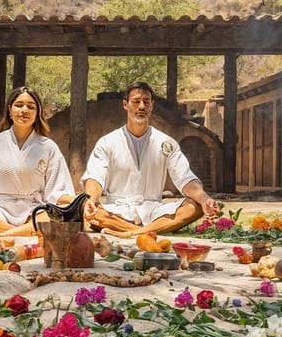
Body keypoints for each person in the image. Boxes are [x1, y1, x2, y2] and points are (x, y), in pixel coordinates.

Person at [81, 81, 219, 237]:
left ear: (152, 105)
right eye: (136, 101)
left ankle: (131, 233)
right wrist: (91, 199)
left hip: (154, 211)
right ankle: (148, 231)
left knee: (195, 206)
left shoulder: (166, 143)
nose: (141, 106)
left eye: (146, 101)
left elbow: (185, 177)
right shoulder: (108, 142)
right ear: (125, 104)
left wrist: (204, 199)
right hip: (117, 211)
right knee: (96, 213)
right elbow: (95, 177)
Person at [0, 86, 75, 236]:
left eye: (31, 107)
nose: (24, 110)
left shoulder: (48, 147)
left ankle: (0, 234)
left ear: (37, 113)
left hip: (34, 211)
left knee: (64, 215)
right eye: (19, 105)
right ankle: (21, 232)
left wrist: (75, 201)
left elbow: (57, 190)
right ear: (10, 110)